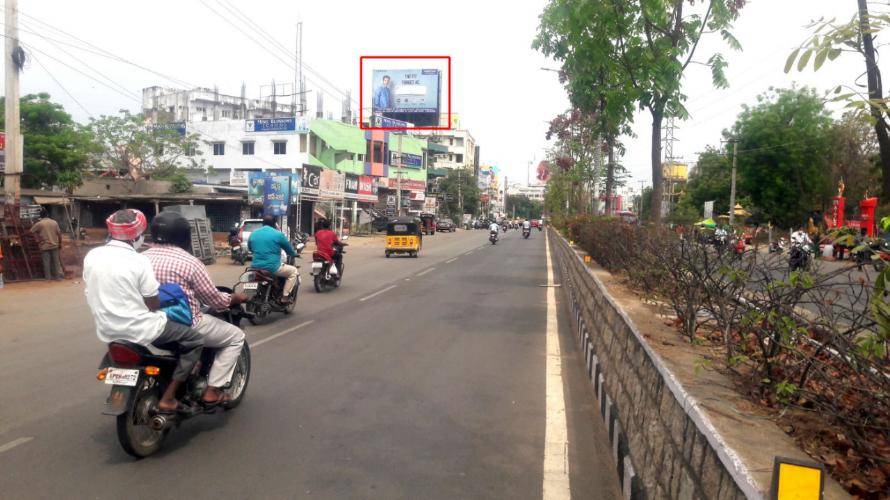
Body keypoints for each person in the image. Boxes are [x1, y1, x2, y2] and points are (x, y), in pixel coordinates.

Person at [83, 209, 203, 412]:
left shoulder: (92, 256)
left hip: (108, 330)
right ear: (137, 236)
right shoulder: (139, 261)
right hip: (142, 329)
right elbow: (153, 303)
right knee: (195, 340)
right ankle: (169, 397)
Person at [144, 212, 248, 405]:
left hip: (148, 324)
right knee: (236, 337)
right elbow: (214, 300)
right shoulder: (189, 262)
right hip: (185, 324)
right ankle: (212, 390)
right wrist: (233, 298)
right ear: (184, 236)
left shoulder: (140, 259)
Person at [248, 215, 298, 304]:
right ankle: (285, 297)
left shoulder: (253, 233)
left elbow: (250, 248)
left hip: (255, 267)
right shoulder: (278, 234)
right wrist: (294, 254)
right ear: (275, 224)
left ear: (262, 223)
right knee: (293, 271)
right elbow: (289, 249)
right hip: (273, 267)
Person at [30, 208, 63, 280]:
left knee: (46, 263)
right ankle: (58, 277)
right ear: (48, 215)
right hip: (55, 245)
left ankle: (48, 278)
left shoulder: (39, 224)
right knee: (56, 263)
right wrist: (60, 243)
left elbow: (31, 231)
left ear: (41, 216)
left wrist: (38, 239)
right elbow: (59, 234)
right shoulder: (54, 222)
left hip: (45, 246)